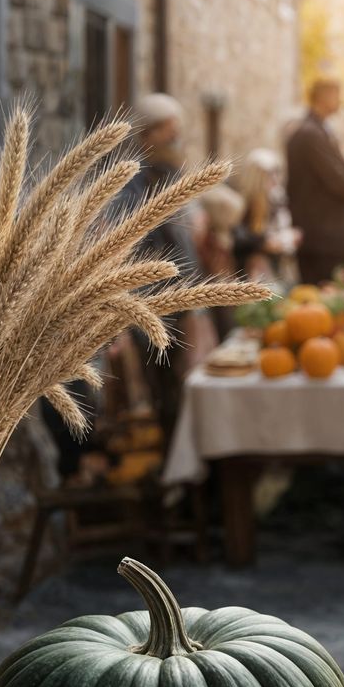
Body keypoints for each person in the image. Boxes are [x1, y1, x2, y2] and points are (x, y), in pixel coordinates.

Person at [119, 93, 197, 436]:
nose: (176, 138)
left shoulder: (171, 174)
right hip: (151, 301)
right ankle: (170, 460)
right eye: (169, 131)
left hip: (181, 297)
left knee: (184, 380)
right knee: (163, 383)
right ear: (148, 135)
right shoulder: (132, 181)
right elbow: (129, 240)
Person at [286, 78, 344, 285]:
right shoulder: (311, 134)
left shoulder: (320, 131)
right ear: (323, 97)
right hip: (322, 239)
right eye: (336, 94)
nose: (340, 100)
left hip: (324, 237)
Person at [230, 147, 297, 282]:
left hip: (276, 266)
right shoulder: (244, 203)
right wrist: (264, 243)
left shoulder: (276, 199)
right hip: (251, 271)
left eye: (276, 173)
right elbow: (239, 237)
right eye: (269, 174)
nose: (274, 179)